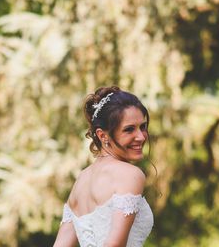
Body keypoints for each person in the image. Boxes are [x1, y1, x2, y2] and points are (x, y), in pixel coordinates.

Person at [53, 86, 154, 247]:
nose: (141, 137)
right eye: (129, 130)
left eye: (143, 127)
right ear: (102, 135)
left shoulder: (82, 180)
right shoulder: (130, 174)